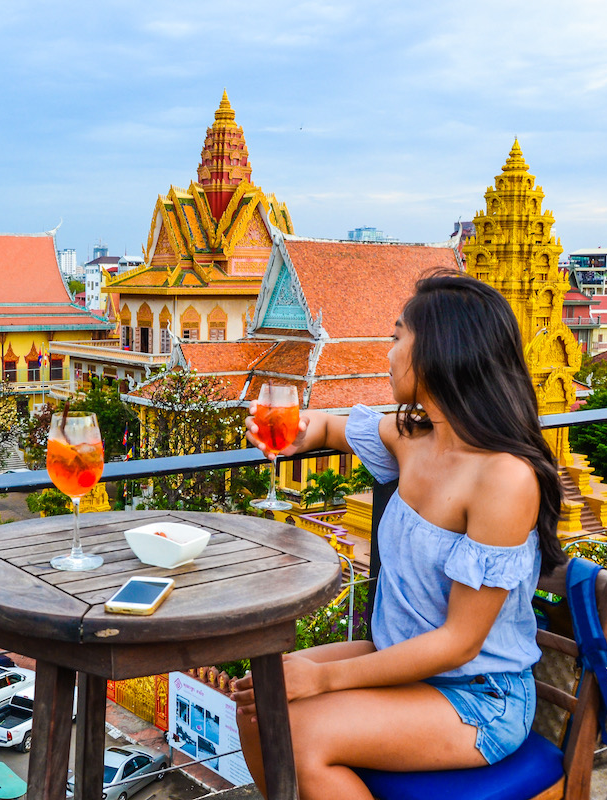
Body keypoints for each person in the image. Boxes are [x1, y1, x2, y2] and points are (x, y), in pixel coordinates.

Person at [232, 274, 566, 798]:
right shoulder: (415, 439)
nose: (388, 354)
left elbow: (460, 642)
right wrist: (297, 431)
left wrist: (321, 680)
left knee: (296, 732)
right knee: (257, 699)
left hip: (478, 696)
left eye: (396, 338)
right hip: (400, 659)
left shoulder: (503, 478)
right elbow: (329, 427)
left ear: (437, 351)